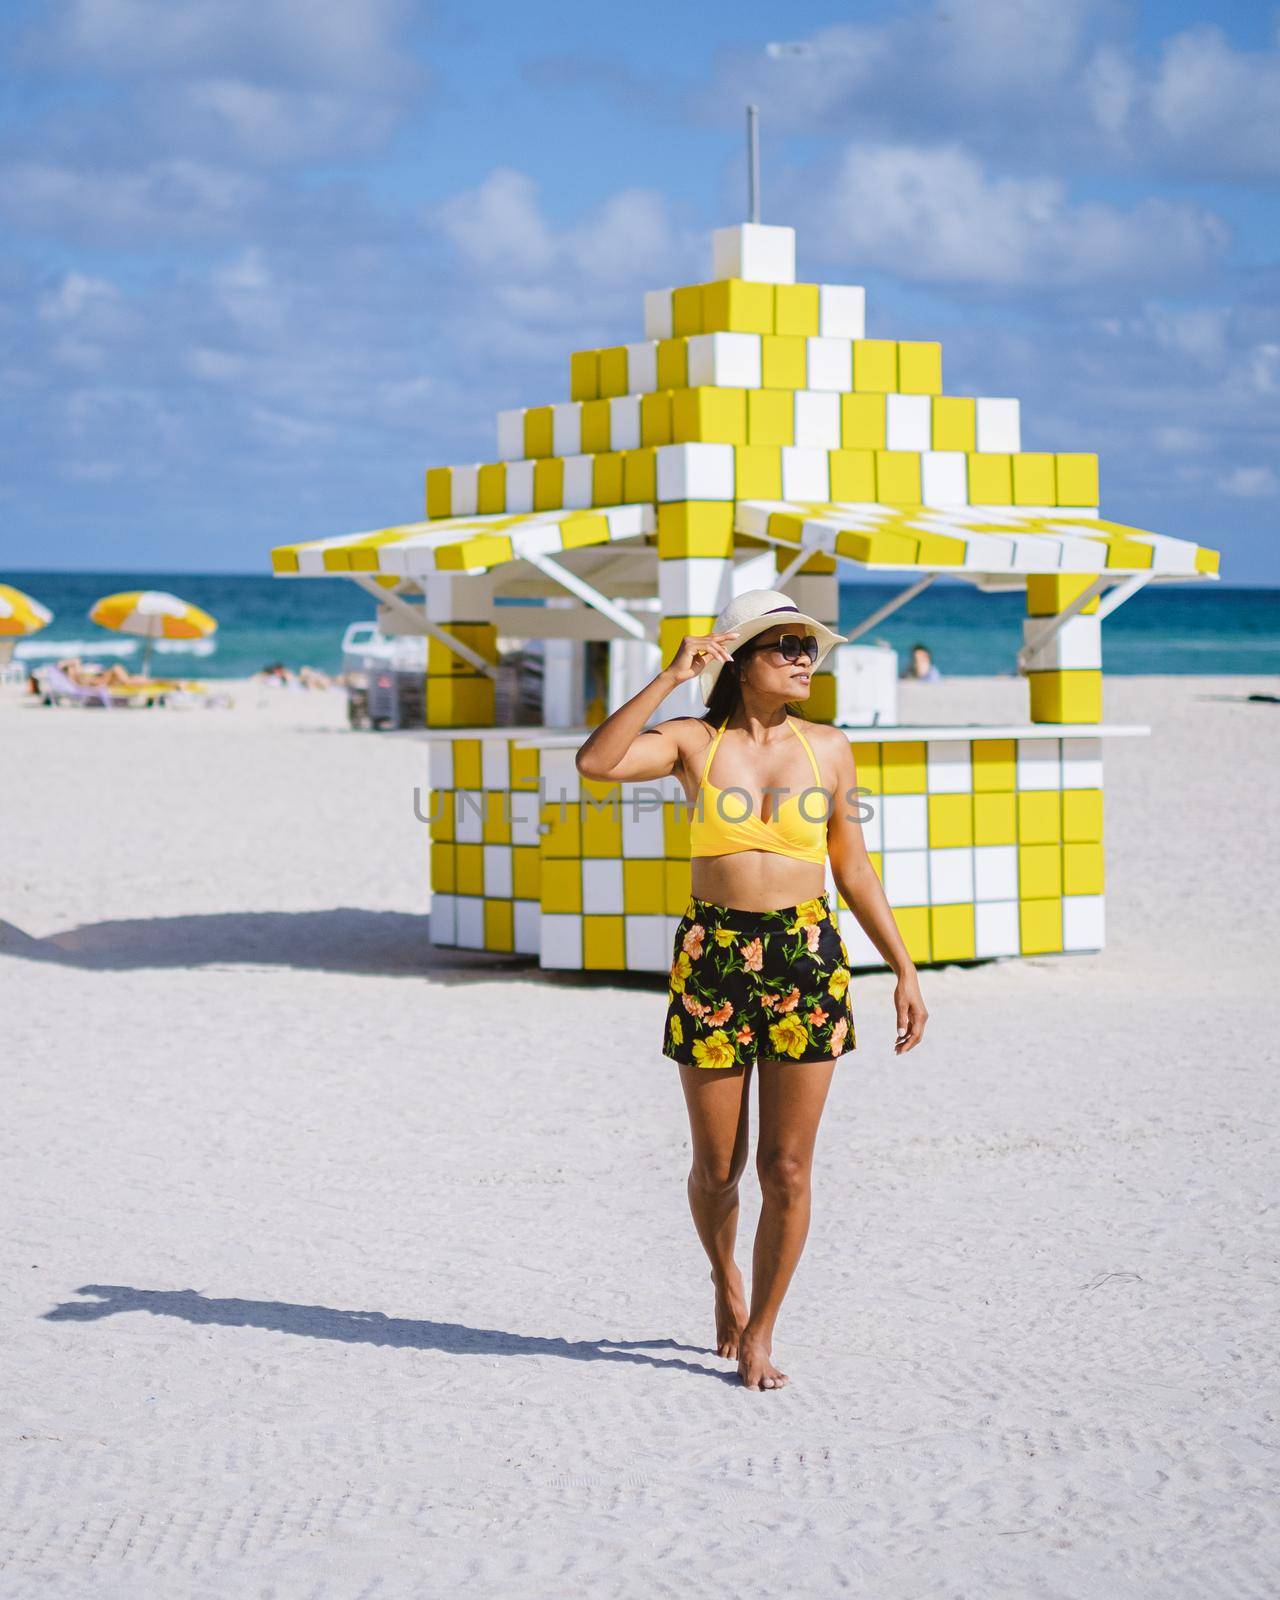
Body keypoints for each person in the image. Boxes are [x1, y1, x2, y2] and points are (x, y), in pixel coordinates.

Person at [575, 589, 928, 1391]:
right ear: (740, 659)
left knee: (789, 1168)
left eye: (810, 645)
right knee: (717, 1168)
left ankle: (762, 1329)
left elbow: (853, 865)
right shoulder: (693, 741)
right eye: (787, 645)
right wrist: (671, 675)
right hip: (715, 954)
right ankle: (722, 1275)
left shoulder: (830, 748)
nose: (807, 658)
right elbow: (596, 765)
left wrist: (903, 967)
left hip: (808, 953)